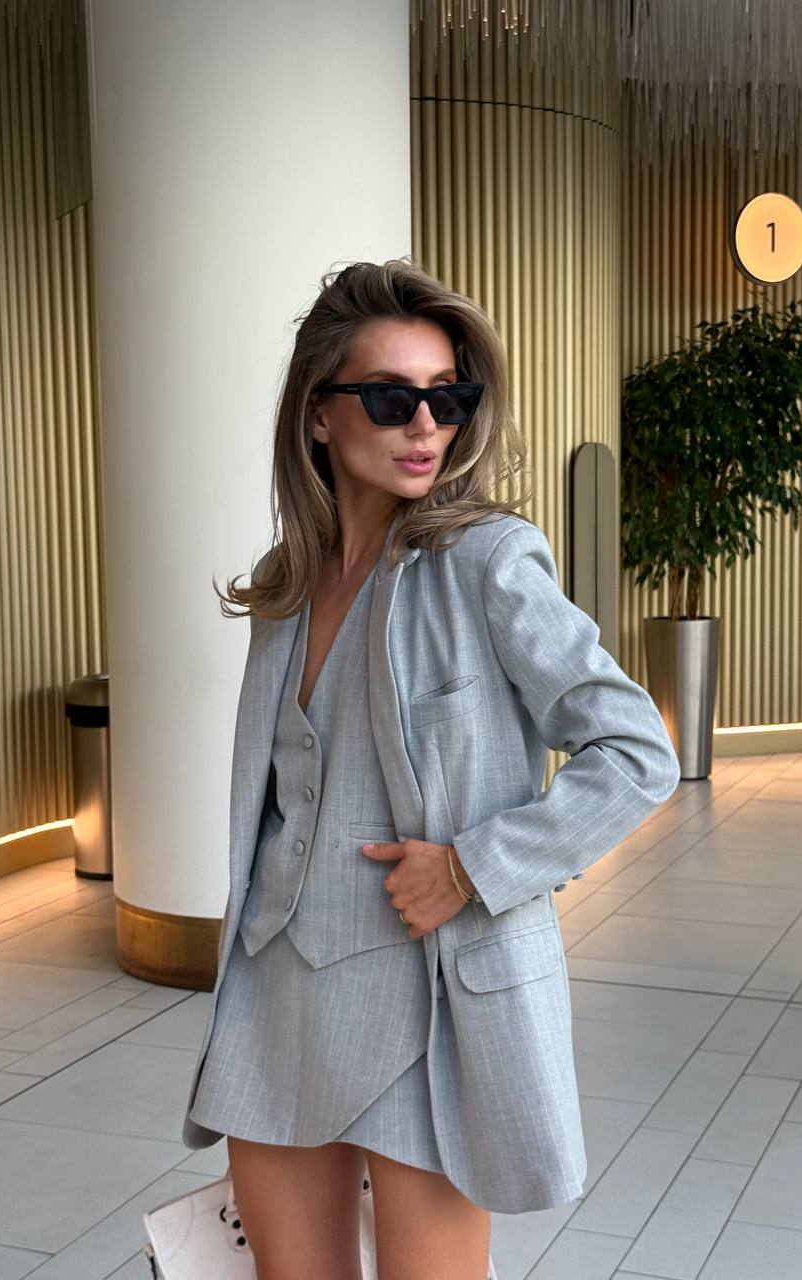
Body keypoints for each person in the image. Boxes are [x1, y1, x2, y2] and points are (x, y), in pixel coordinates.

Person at [181, 257, 681, 1279]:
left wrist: (473, 863)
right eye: (391, 396)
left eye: (448, 396)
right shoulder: (288, 583)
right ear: (319, 416)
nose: (426, 424)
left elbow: (636, 748)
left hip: (428, 997)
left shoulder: (487, 561)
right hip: (274, 994)